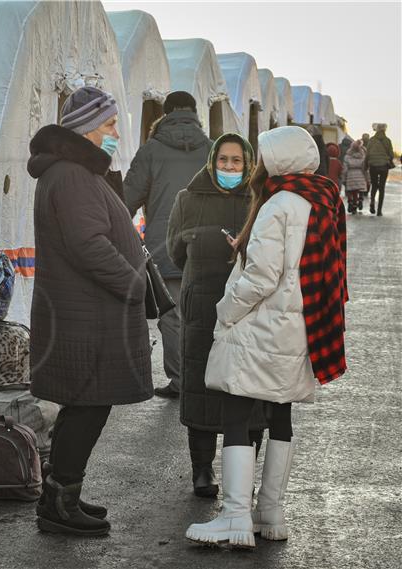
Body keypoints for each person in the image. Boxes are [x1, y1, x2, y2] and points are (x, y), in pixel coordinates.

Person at [185, 126, 348, 549]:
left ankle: (235, 515)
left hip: (262, 327)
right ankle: (270, 512)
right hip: (298, 328)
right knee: (279, 414)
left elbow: (261, 276)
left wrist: (227, 310)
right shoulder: (324, 199)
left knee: (236, 412)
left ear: (275, 161)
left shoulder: (279, 204)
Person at [27, 86, 153, 536]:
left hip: (85, 312)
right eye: (109, 124)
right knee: (88, 406)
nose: (116, 132)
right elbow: (88, 244)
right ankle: (61, 504)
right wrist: (133, 283)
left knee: (83, 405)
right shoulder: (73, 176)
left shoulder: (71, 172)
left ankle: (62, 495)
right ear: (85, 128)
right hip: (90, 315)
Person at [166, 133, 267, 499]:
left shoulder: (259, 199)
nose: (229, 167)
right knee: (201, 382)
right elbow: (175, 250)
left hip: (248, 307)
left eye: (236, 161)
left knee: (248, 388)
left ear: (248, 163)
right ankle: (202, 469)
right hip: (202, 306)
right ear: (212, 162)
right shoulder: (187, 199)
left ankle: (245, 473)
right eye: (223, 160)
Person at [123, 91, 212, 398]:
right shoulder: (213, 150)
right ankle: (207, 378)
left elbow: (127, 201)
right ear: (195, 113)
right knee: (206, 313)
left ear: (166, 112)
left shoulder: (152, 150)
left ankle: (180, 381)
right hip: (210, 246)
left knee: (172, 316)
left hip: (165, 245)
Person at [366, 123, 396, 216]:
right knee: (382, 188)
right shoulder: (387, 141)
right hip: (383, 166)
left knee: (374, 185)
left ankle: (372, 203)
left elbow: (367, 153)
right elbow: (391, 154)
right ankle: (379, 210)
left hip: (373, 166)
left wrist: (367, 164)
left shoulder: (371, 140)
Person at [342, 140, 370, 214]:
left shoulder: (347, 156)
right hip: (360, 174)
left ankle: (350, 202)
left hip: (350, 174)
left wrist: (344, 177)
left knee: (350, 190)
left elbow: (345, 168)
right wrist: (367, 178)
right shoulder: (362, 156)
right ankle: (358, 201)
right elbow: (364, 168)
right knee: (358, 190)